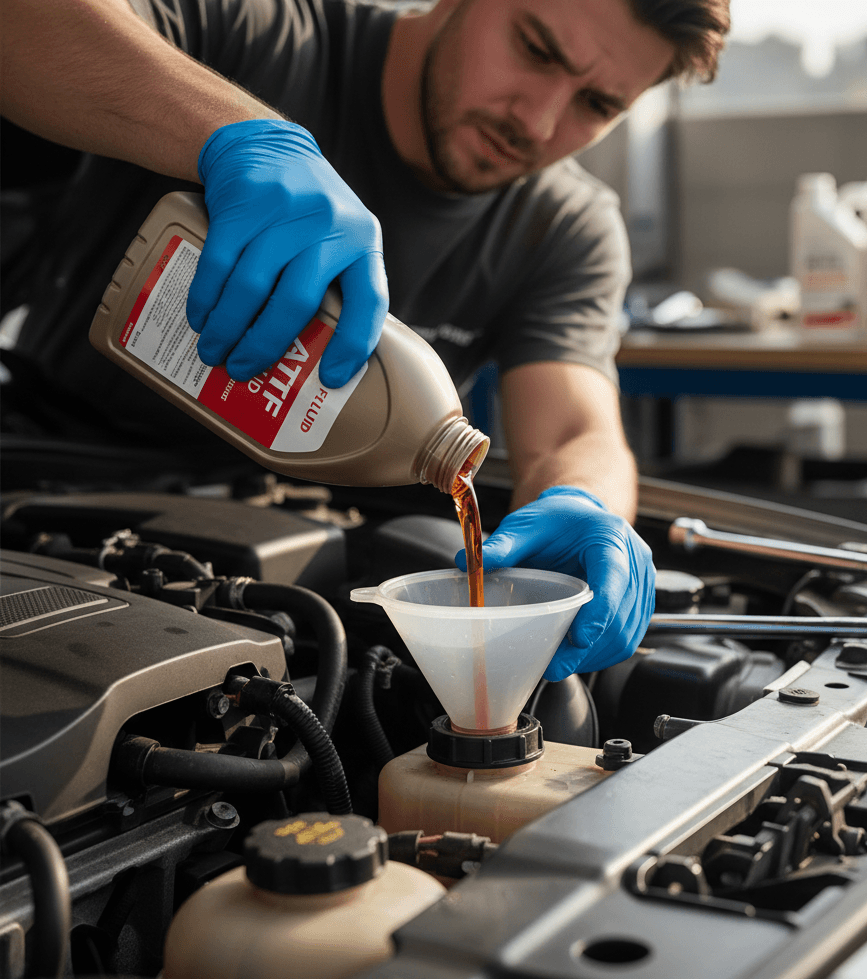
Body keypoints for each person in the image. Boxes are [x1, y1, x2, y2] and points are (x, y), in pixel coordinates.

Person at [0, 0, 729, 680]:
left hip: (286, 542)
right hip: (49, 489)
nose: (538, 122)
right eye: (535, 48)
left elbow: (575, 425)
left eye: (598, 105)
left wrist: (591, 508)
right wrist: (231, 132)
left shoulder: (564, 227)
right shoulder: (264, 33)